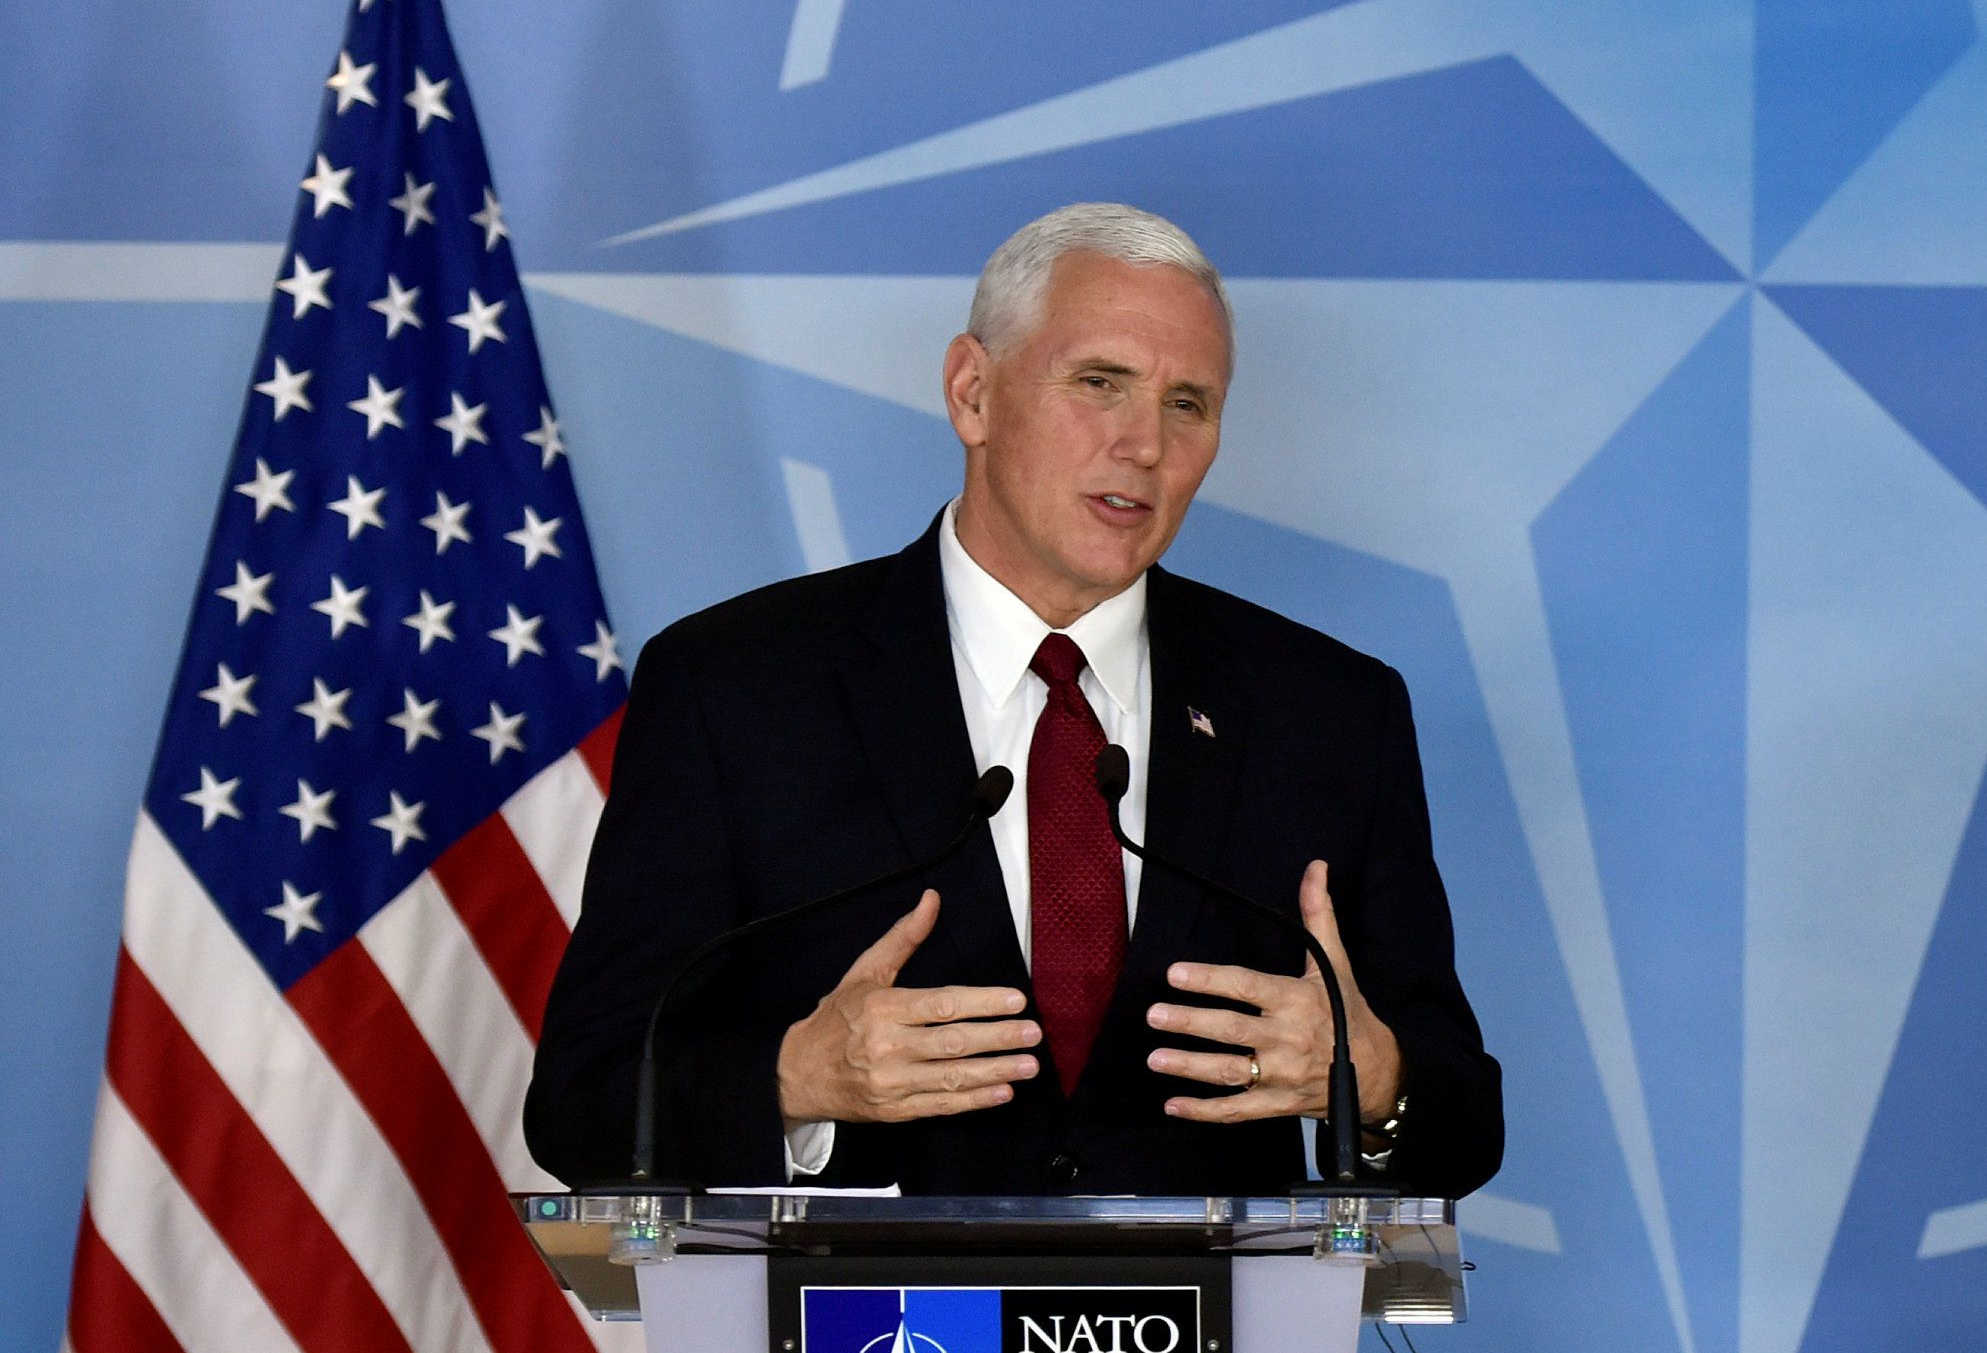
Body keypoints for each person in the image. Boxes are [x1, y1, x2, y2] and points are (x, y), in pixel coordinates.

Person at [527, 202, 1502, 1199]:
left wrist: (1373, 1082)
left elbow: (1462, 1123)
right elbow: (582, 1100)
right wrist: (794, 1082)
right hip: (874, 1348)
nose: (1143, 445)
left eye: (1188, 403)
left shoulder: (1329, 713)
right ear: (972, 392)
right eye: (1098, 382)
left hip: (1206, 1347)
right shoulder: (736, 688)